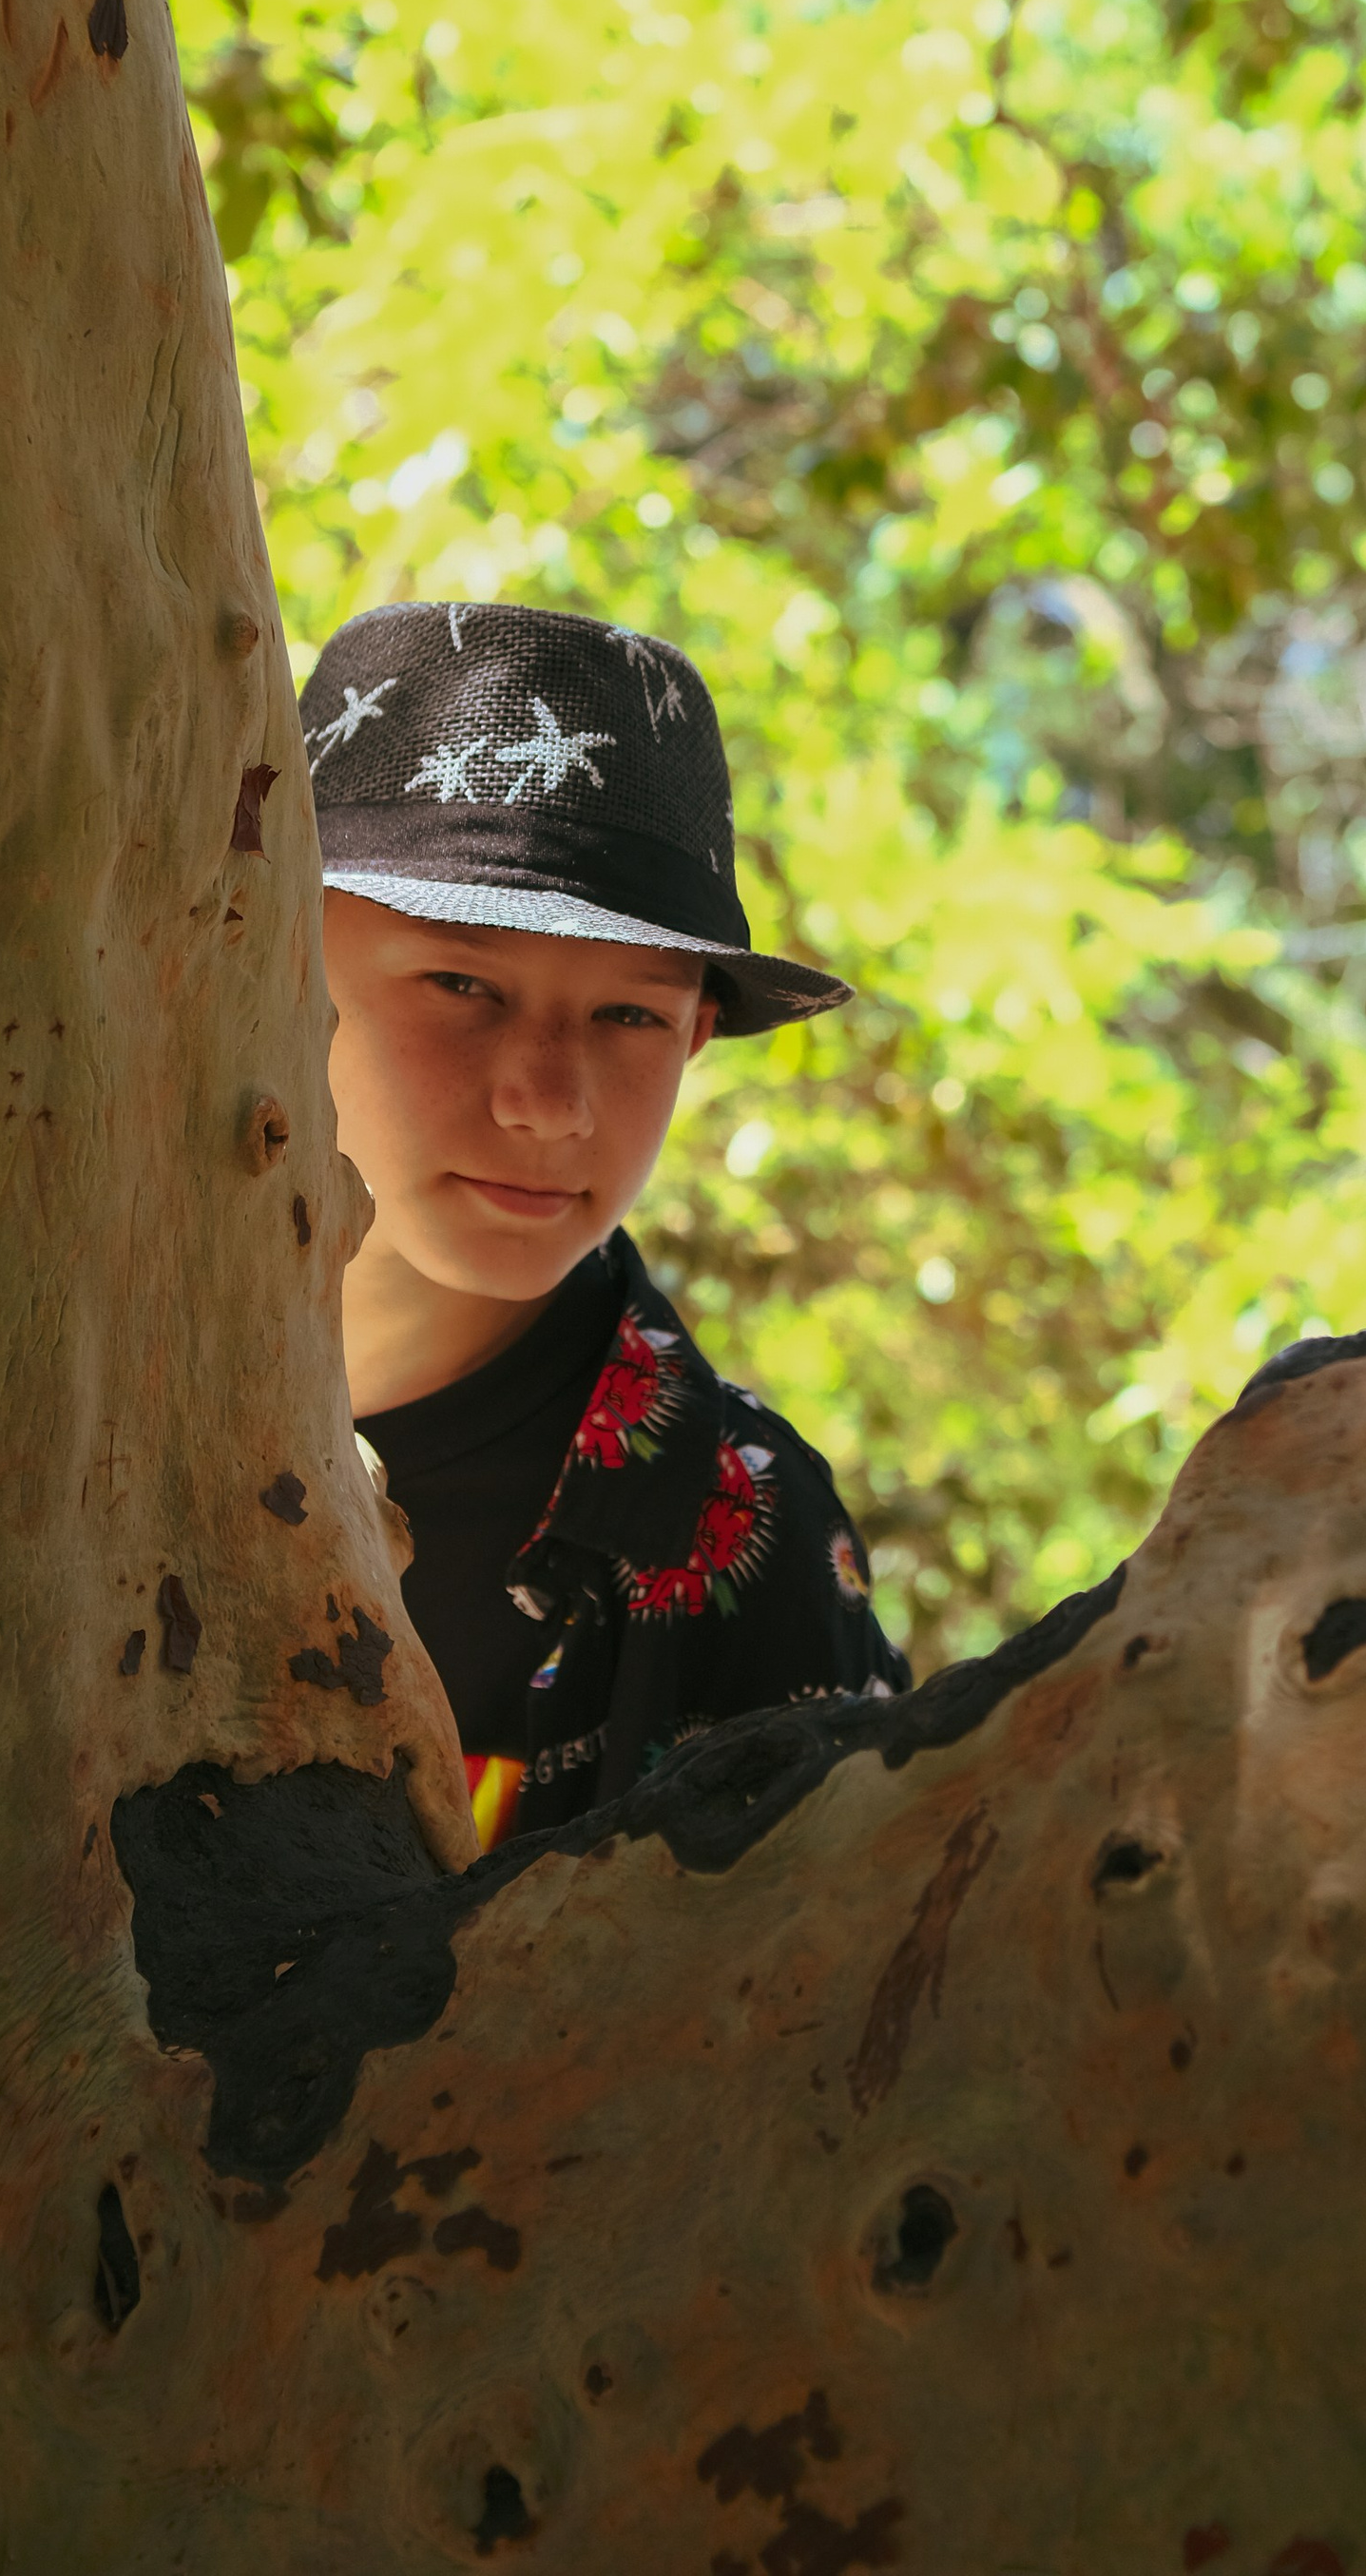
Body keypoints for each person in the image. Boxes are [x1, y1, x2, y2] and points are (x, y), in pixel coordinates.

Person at [298, 597, 907, 1849]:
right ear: (268, 962)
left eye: (628, 1019)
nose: (547, 1103)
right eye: (460, 983)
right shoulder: (41, 1366)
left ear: (695, 1035)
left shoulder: (743, 1531)